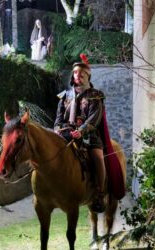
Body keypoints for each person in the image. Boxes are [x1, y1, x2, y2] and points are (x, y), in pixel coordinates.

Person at [54, 54, 107, 213]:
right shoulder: (64, 95)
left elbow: (94, 118)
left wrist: (81, 131)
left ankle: (99, 193)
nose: (79, 75)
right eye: (76, 72)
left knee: (97, 157)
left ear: (88, 76)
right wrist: (57, 129)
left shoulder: (95, 95)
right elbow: (58, 117)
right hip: (65, 133)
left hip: (88, 135)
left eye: (82, 73)